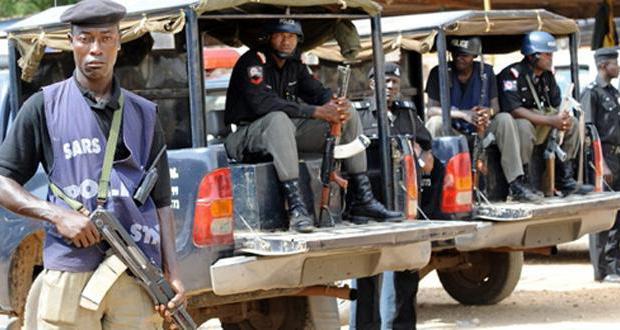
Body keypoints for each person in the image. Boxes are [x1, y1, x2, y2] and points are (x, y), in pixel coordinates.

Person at [0, 1, 185, 328]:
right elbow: (3, 180)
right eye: (85, 38)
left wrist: (173, 274)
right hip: (71, 270)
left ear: (118, 42)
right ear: (72, 42)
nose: (95, 49)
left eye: (105, 38)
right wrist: (56, 214)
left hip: (135, 273)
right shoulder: (44, 106)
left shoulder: (144, 114)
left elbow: (162, 202)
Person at [224, 18, 402, 232]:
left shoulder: (294, 64)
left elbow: (316, 91)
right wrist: (316, 112)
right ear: (270, 37)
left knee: (349, 112)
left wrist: (334, 104)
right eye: (280, 35)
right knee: (278, 118)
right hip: (246, 135)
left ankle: (362, 199)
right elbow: (263, 104)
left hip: (285, 133)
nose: (285, 41)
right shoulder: (254, 62)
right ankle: (297, 209)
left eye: (291, 37)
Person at [351, 63, 430, 330]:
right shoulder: (359, 115)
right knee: (366, 273)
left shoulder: (406, 113)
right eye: (385, 81)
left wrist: (422, 155)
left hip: (404, 203)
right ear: (372, 84)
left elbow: (426, 151)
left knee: (407, 271)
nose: (391, 86)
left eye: (395, 81)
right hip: (370, 206)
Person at [425, 37, 541, 202]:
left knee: (505, 119)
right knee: (435, 122)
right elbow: (431, 109)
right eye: (456, 54)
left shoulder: (486, 72)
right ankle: (437, 180)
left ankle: (515, 183)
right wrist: (463, 114)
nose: (459, 58)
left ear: (474, 56)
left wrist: (487, 113)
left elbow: (496, 108)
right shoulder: (439, 72)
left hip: (481, 129)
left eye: (465, 55)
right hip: (453, 131)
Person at [497, 31, 591, 197]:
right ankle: (523, 181)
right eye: (547, 54)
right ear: (533, 56)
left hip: (543, 124)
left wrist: (561, 119)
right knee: (524, 127)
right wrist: (551, 120)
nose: (551, 58)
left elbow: (555, 104)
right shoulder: (512, 75)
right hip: (519, 126)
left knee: (573, 123)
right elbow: (514, 110)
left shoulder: (548, 76)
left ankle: (565, 178)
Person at [582, 47, 620, 283]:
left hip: (618, 158)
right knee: (603, 215)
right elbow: (588, 131)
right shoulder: (592, 93)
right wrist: (601, 164)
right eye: (615, 63)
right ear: (603, 66)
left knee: (618, 215)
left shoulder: (614, 93)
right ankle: (602, 269)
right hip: (603, 158)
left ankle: (615, 266)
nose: (618, 67)